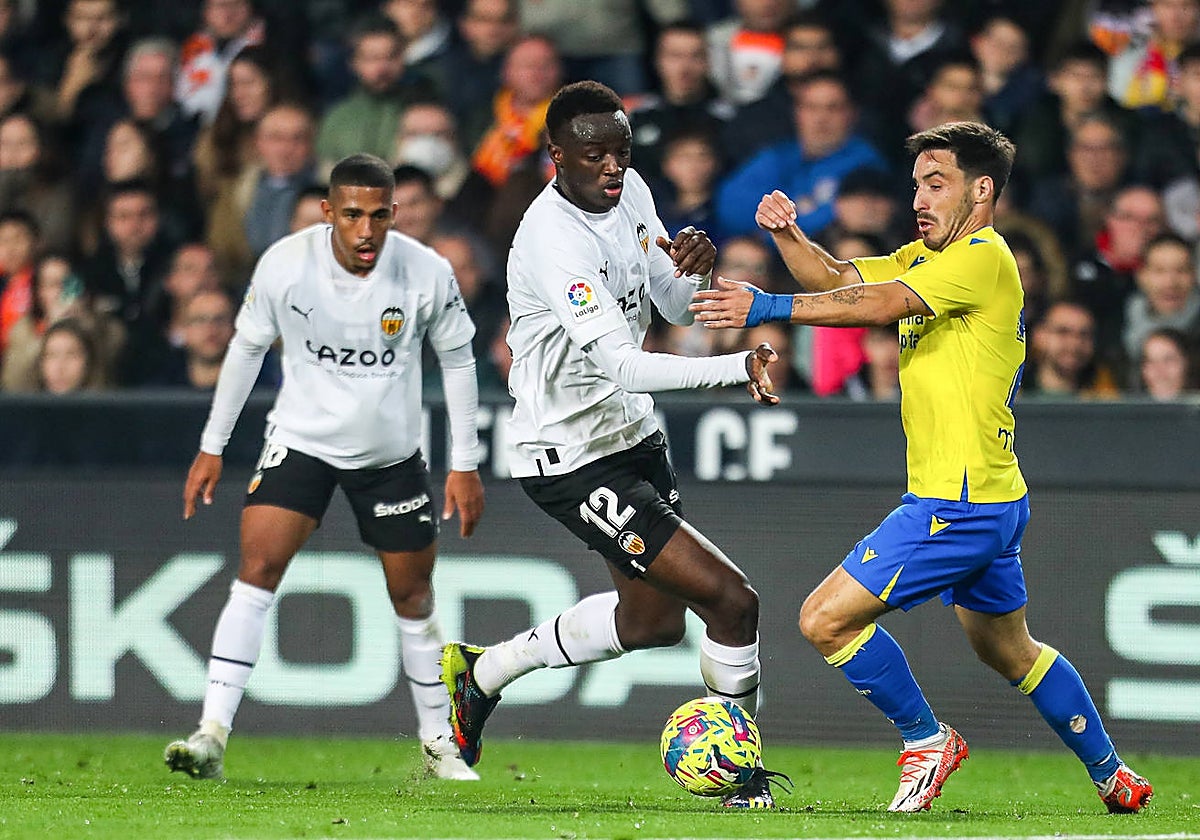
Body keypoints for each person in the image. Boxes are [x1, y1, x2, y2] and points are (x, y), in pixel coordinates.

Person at [689, 121, 1153, 814]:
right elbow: (841, 280)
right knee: (1012, 652)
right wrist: (789, 237)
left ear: (981, 189)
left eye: (936, 184)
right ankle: (1113, 774)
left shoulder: (982, 258)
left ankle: (925, 741)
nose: (919, 199)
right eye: (916, 186)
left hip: (956, 502)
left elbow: (879, 304)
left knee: (824, 620)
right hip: (991, 496)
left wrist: (768, 306)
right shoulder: (928, 258)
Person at [439, 80, 784, 810]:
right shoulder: (551, 238)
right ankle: (742, 782)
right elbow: (623, 362)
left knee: (652, 623)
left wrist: (697, 267)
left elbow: (673, 306)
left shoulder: (631, 195)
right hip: (569, 454)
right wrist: (736, 367)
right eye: (595, 153)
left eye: (621, 151)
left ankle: (482, 673)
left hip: (632, 436)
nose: (613, 166)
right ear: (556, 155)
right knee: (733, 603)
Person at [164, 153, 485, 783]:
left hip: (390, 456)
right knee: (257, 572)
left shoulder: (426, 271)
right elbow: (246, 348)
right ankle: (211, 734)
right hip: (302, 440)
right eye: (353, 215)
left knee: (413, 595)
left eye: (379, 216)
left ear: (395, 214)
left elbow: (459, 361)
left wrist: (464, 463)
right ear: (327, 212)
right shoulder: (285, 265)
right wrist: (212, 445)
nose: (366, 231)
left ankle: (437, 745)